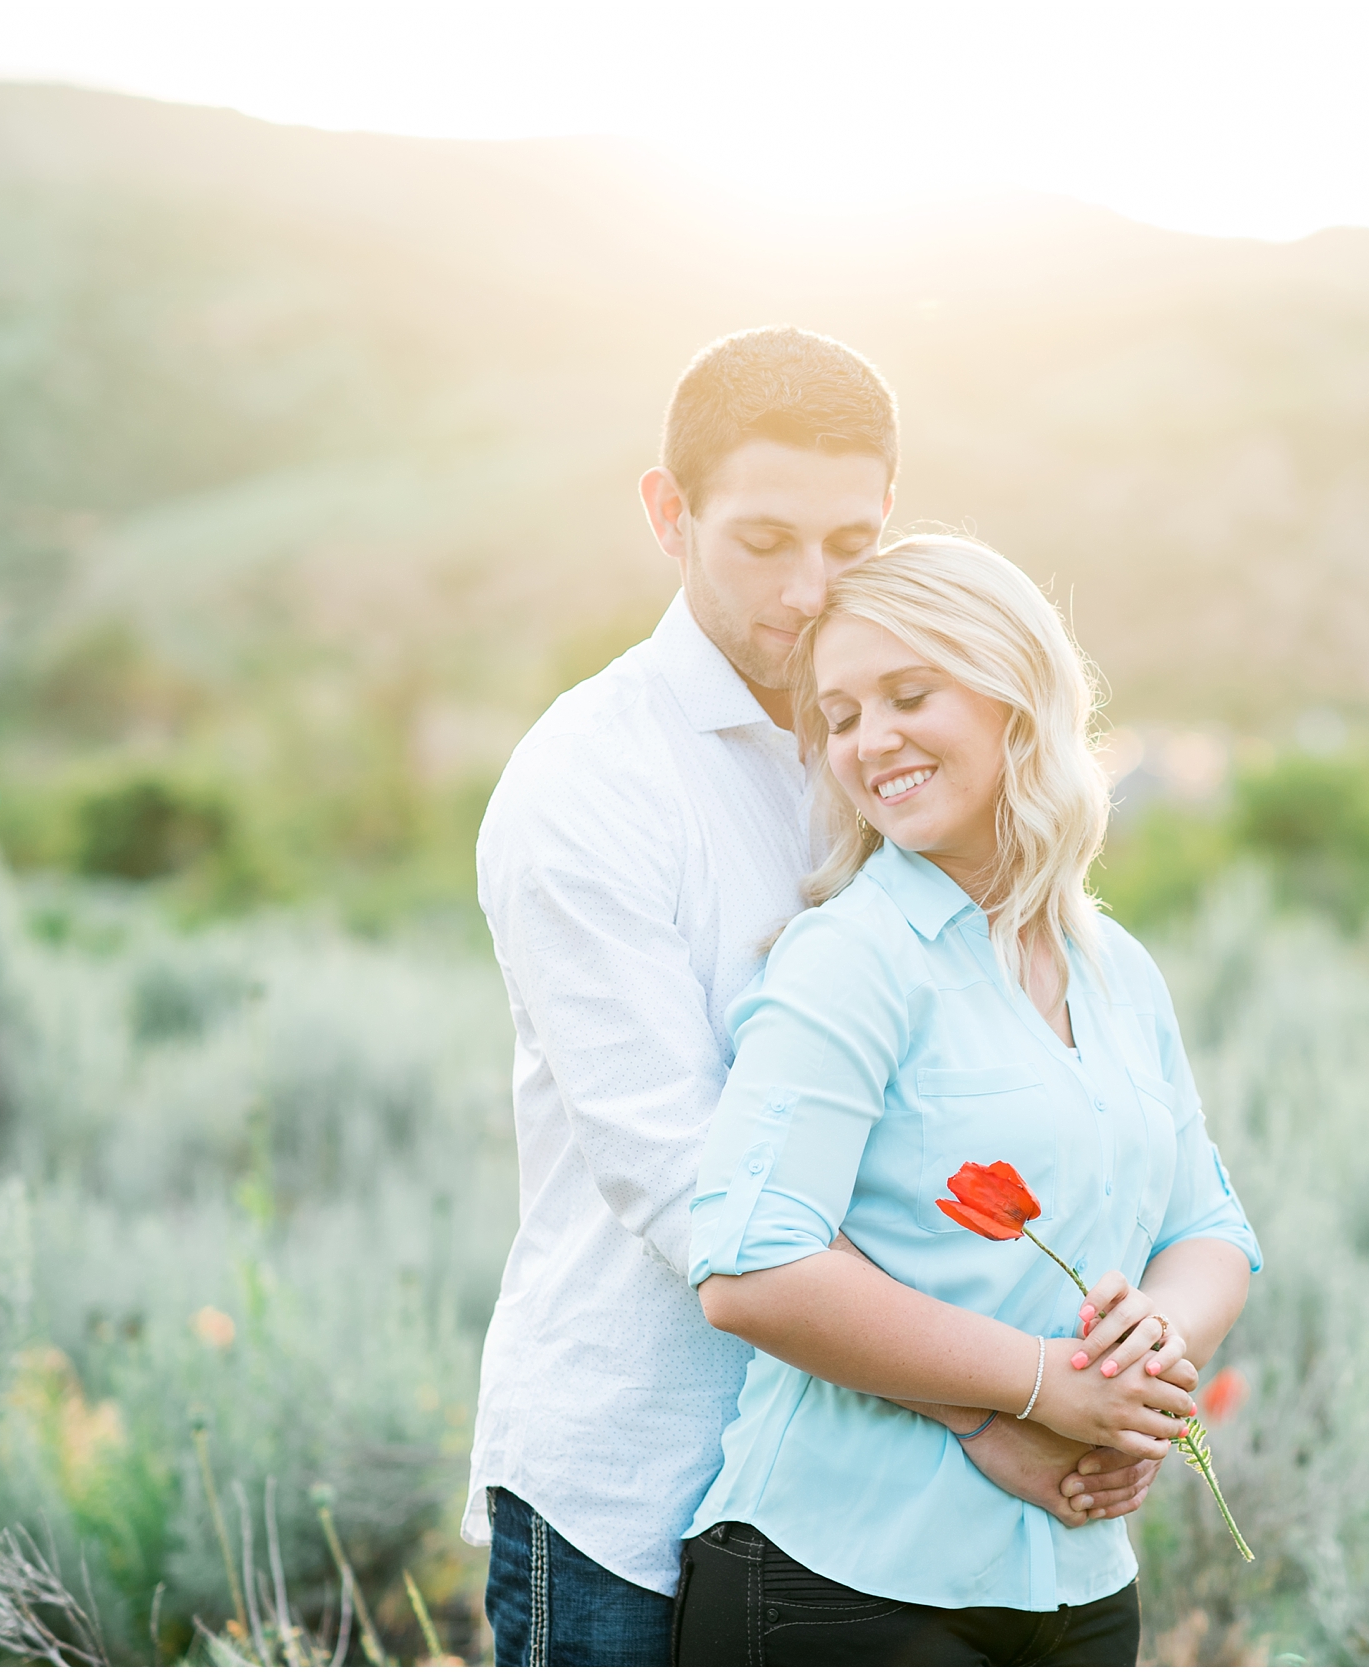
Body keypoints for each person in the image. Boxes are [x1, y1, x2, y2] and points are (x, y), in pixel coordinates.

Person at [465, 329, 1164, 1666]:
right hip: (636, 1485)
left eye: (849, 541)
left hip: (866, 1505)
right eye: (763, 539)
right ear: (669, 517)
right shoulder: (586, 786)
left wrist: (1109, 1366)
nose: (808, 588)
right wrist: (992, 1406)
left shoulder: (904, 754)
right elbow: (687, 1186)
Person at [675, 535, 1261, 1665]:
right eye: (839, 715)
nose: (868, 740)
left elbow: (1210, 1232)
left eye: (909, 694)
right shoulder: (850, 957)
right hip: (841, 1585)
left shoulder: (1117, 970)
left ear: (1015, 699)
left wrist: (1143, 1372)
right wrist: (1041, 1387)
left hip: (1084, 1584)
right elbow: (750, 1270)